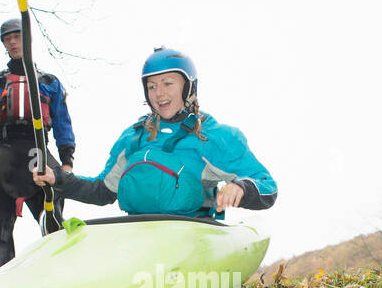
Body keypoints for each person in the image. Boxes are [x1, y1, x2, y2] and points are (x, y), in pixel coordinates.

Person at [34, 47, 276, 219]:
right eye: (152, 86)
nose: (159, 93)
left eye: (168, 83)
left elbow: (267, 185)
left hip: (194, 234)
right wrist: (58, 178)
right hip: (139, 235)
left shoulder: (214, 136)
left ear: (188, 87)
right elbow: (102, 190)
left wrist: (241, 188)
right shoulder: (133, 137)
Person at [0, 18, 77, 272]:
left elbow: (62, 123)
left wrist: (66, 161)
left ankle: (57, 272)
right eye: (8, 39)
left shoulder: (49, 82)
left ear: (28, 39)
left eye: (18, 37)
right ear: (4, 44)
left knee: (52, 216)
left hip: (37, 150)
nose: (13, 42)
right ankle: (1, 276)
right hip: (4, 150)